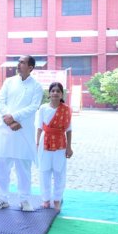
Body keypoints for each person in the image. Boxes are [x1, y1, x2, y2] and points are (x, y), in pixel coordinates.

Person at [0, 56, 43, 212]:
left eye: (22, 62)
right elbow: (1, 102)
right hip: (6, 129)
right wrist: (9, 119)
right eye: (18, 62)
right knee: (2, 166)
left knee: (23, 168)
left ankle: (24, 199)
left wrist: (15, 117)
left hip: (23, 131)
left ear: (31, 67)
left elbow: (33, 107)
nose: (19, 64)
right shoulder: (9, 81)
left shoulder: (37, 86)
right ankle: (2, 198)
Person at [36, 82, 73, 213]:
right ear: (49, 93)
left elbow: (69, 129)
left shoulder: (66, 109)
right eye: (53, 91)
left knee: (59, 172)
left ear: (62, 94)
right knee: (44, 171)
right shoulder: (43, 108)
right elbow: (40, 127)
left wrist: (69, 147)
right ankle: (45, 199)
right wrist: (37, 144)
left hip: (60, 144)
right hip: (44, 142)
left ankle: (57, 199)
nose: (55, 93)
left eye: (58, 91)